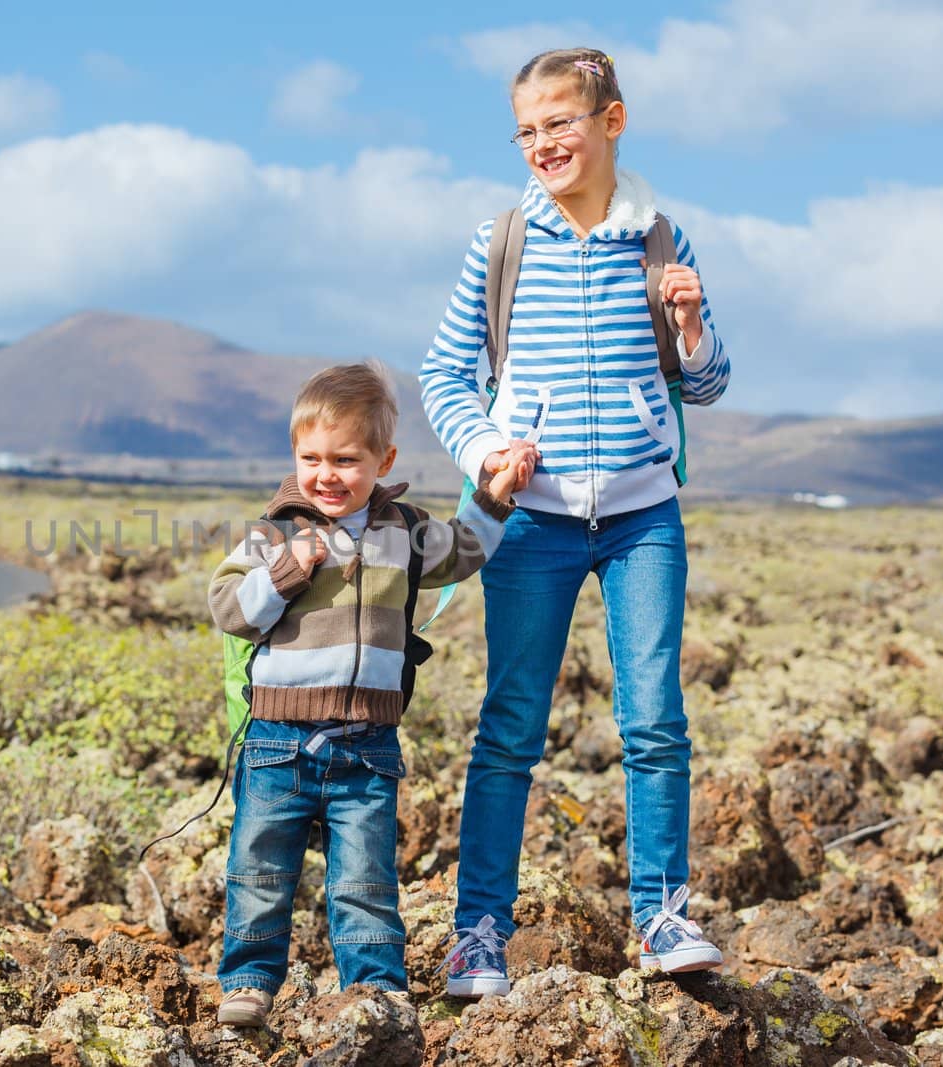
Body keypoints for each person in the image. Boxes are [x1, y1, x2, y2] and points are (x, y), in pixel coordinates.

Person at [419, 47, 733, 997]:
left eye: (561, 121)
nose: (544, 142)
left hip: (644, 518)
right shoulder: (503, 241)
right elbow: (444, 376)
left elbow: (710, 383)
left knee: (656, 723)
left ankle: (663, 917)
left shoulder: (663, 239)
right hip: (534, 526)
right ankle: (478, 935)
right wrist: (484, 455)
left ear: (611, 121)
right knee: (509, 728)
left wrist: (691, 326)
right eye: (527, 128)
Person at [207, 361, 536, 1026]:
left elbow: (463, 551)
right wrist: (285, 572)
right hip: (277, 740)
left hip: (369, 746)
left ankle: (377, 988)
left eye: (346, 459)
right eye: (311, 458)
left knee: (365, 879)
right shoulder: (276, 531)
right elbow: (228, 606)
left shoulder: (406, 530)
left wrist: (496, 495)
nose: (325, 474)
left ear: (383, 459)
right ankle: (248, 977)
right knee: (260, 868)